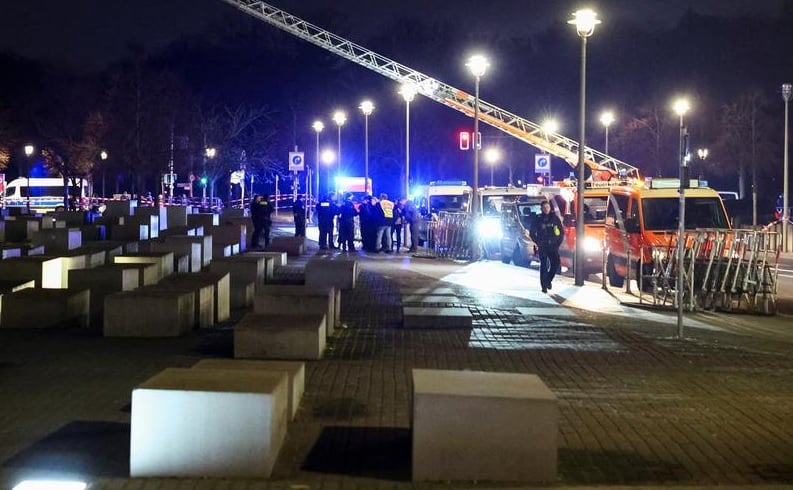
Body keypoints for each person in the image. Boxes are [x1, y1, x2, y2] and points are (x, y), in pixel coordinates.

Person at [529, 199, 564, 293]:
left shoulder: (555, 218)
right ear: (541, 209)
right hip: (543, 245)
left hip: (553, 246)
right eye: (544, 208)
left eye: (547, 207)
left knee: (556, 263)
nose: (546, 209)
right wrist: (538, 242)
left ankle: (548, 280)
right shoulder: (538, 218)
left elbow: (561, 232)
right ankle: (544, 286)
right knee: (543, 265)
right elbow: (532, 233)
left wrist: (558, 243)